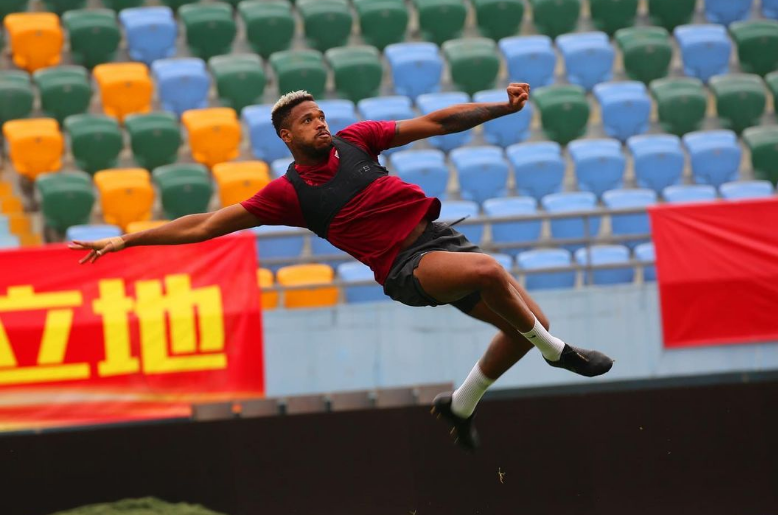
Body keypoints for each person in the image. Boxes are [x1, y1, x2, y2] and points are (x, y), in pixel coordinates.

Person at [71, 84, 613, 451]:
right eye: (307, 121)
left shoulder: (358, 139)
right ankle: (560, 354)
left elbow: (436, 122)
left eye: (320, 115)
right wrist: (127, 239)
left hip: (441, 242)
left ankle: (461, 404)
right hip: (406, 268)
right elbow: (204, 225)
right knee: (495, 278)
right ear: (286, 136)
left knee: (523, 323)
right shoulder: (287, 194)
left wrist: (500, 107)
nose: (320, 124)